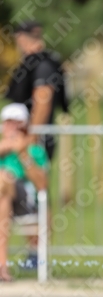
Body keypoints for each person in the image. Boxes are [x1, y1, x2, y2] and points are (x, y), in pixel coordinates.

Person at [5, 20, 69, 160]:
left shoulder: (43, 65)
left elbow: (42, 103)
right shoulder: (37, 63)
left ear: (20, 38)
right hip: (23, 138)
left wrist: (31, 138)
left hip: (35, 141)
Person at [0, 103, 48, 281]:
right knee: (2, 199)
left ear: (25, 126)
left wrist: (22, 154)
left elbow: (42, 185)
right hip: (4, 203)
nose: (12, 128)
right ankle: (2, 264)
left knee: (3, 178)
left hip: (24, 201)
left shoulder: (34, 151)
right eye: (8, 123)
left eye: (16, 123)